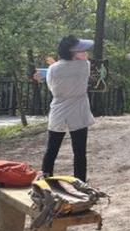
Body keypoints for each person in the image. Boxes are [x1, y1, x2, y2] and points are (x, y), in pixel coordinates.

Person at [41, 35, 95, 181]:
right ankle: (80, 182)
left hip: (59, 111)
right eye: (81, 50)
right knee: (79, 152)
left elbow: (51, 87)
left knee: (51, 150)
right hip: (79, 112)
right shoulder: (85, 66)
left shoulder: (53, 69)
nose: (85, 53)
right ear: (72, 52)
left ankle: (45, 180)